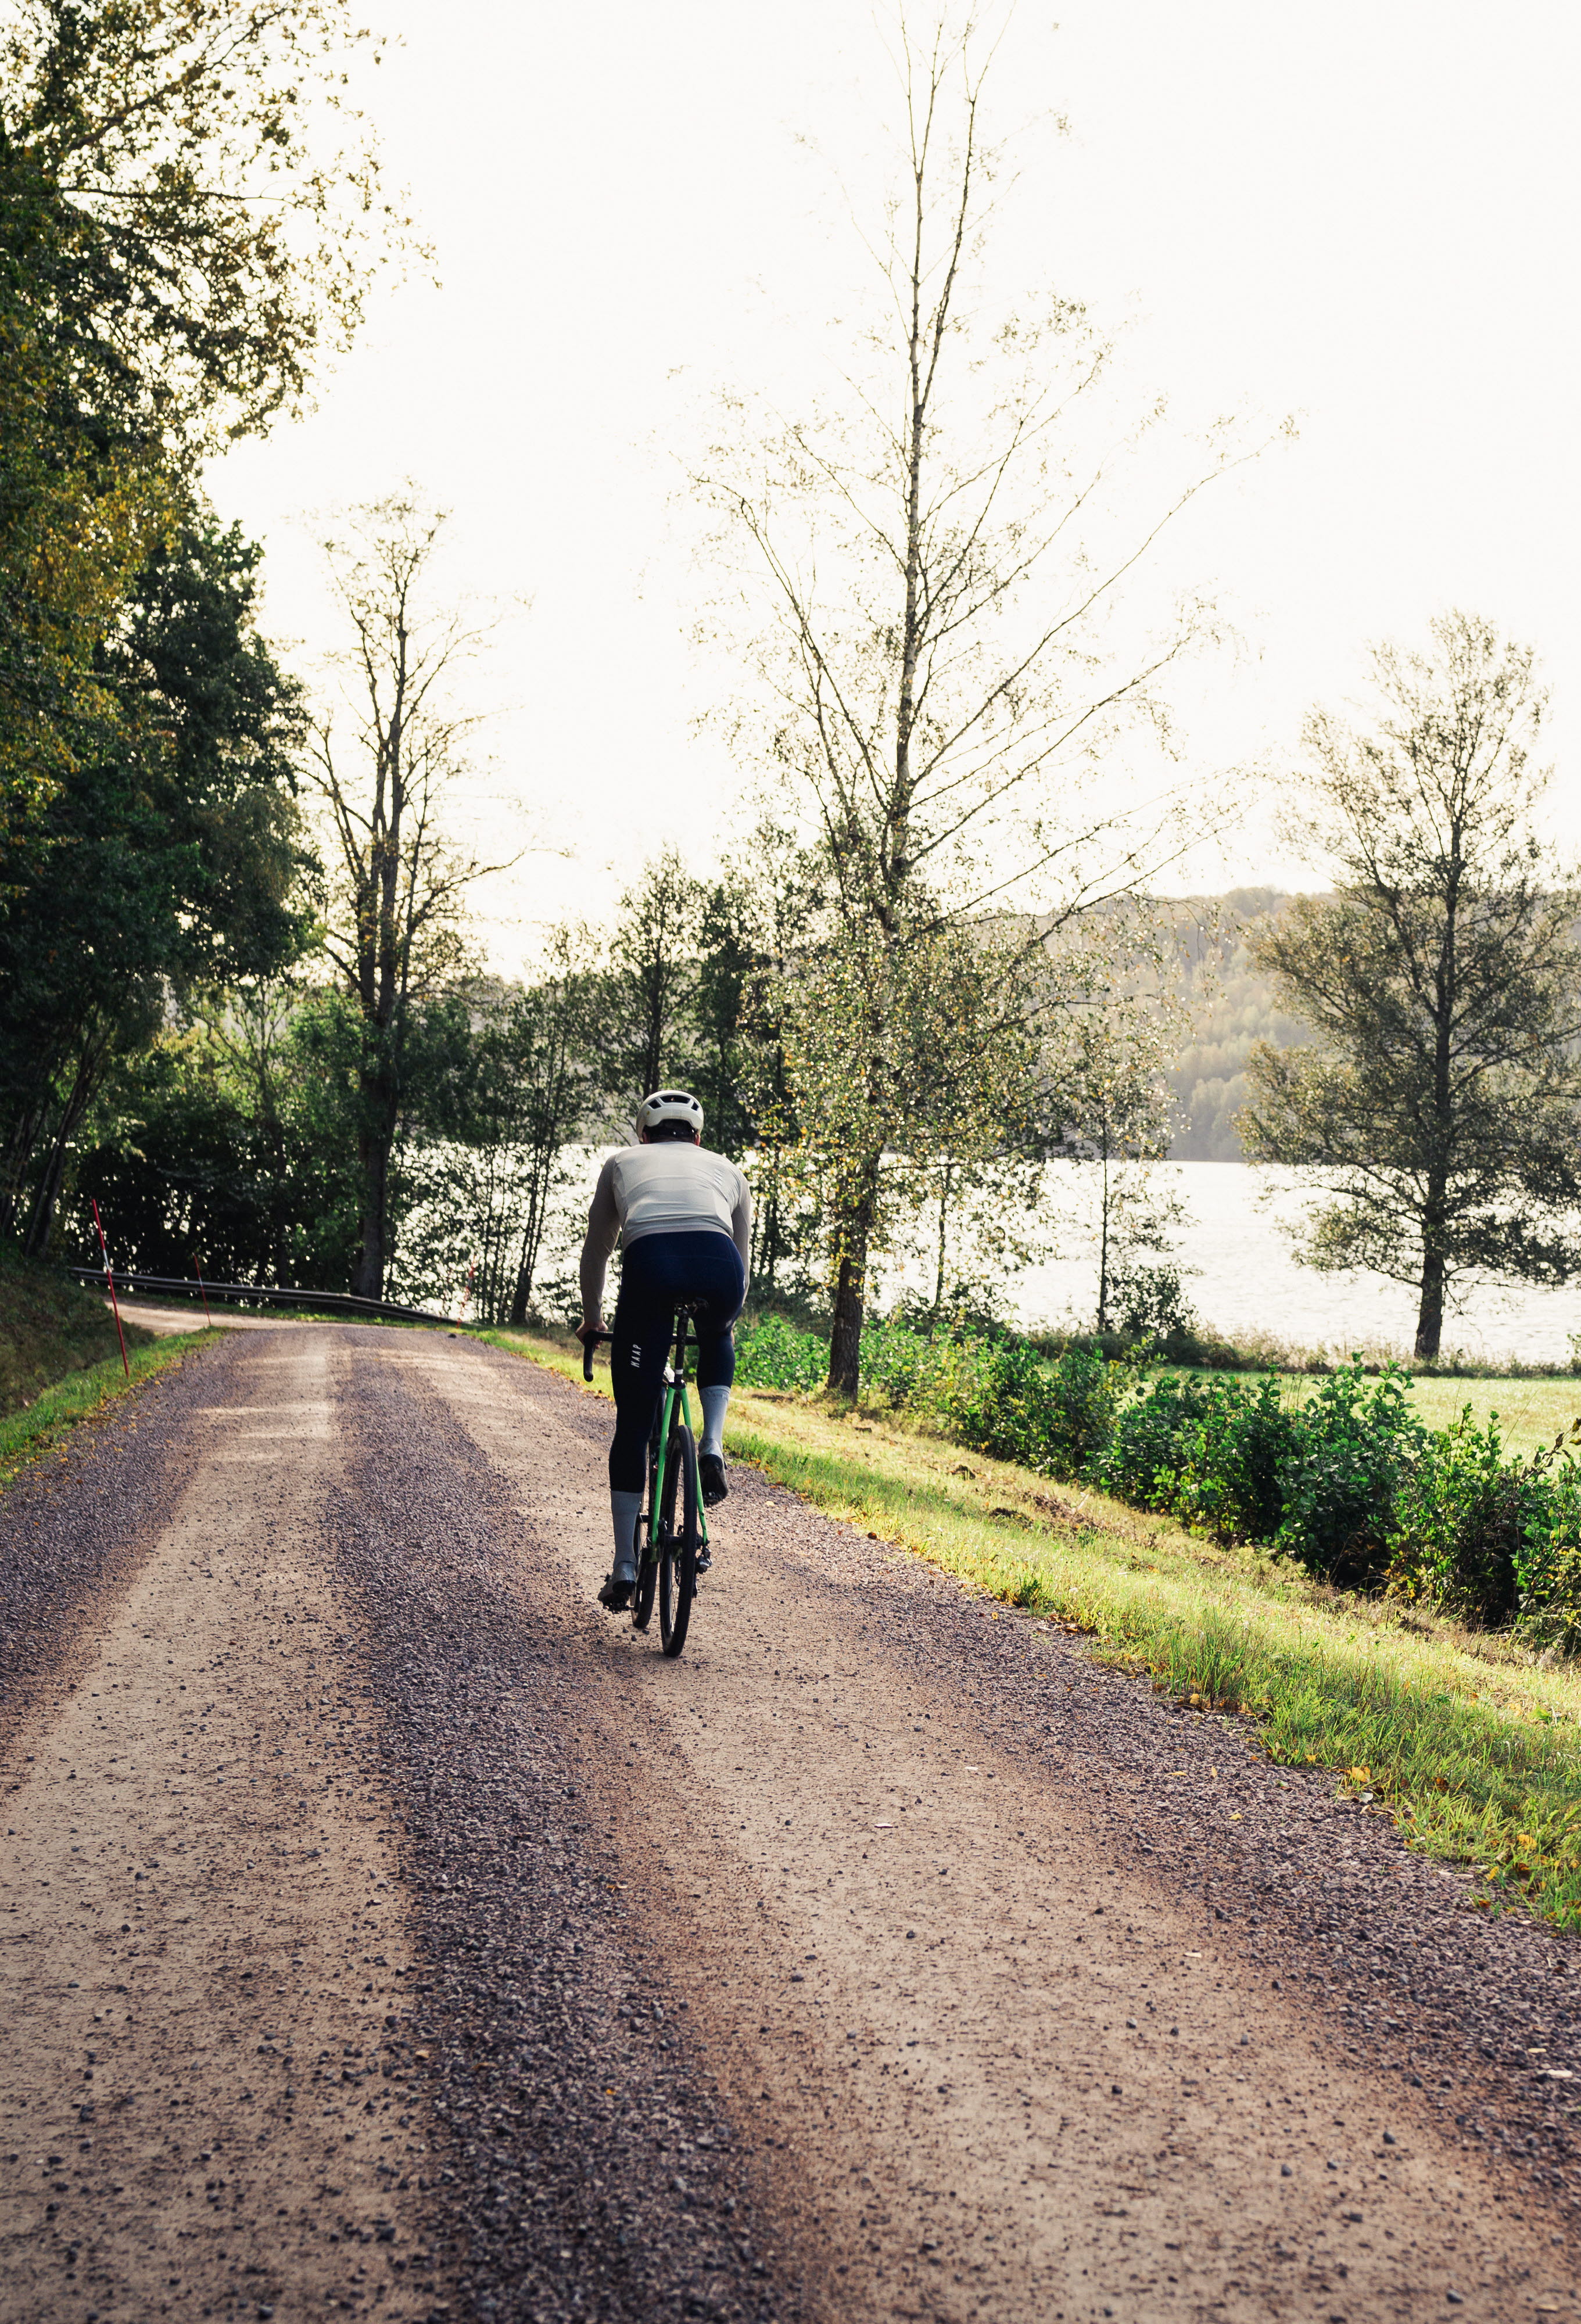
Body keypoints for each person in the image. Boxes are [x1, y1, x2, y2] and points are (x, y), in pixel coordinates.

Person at [576, 1089, 751, 1611]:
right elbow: (741, 1264)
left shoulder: (620, 1163)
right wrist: (722, 1323)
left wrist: (593, 1318)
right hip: (718, 1265)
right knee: (718, 1335)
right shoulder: (730, 1170)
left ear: (643, 1135)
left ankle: (624, 1566)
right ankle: (712, 1443)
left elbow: (597, 1249)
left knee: (632, 1426)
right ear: (698, 1138)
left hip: (650, 1266)